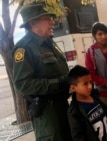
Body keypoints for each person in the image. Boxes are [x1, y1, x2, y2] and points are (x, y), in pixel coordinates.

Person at [12, 3, 72, 141]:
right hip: (47, 114)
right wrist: (58, 83)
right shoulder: (24, 48)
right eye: (47, 18)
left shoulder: (50, 43)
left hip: (62, 106)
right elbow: (23, 84)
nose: (52, 22)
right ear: (33, 23)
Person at [67, 65, 107, 141]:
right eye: (85, 84)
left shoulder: (94, 96)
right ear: (73, 88)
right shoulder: (75, 112)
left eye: (90, 82)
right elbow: (78, 137)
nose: (90, 86)